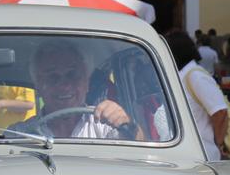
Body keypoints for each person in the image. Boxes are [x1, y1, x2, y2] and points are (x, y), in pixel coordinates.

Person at [12, 40, 141, 139]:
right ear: (38, 87)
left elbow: (140, 153)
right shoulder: (20, 134)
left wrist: (126, 124)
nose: (64, 86)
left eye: (72, 75)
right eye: (53, 77)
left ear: (87, 82)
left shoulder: (105, 127)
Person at [167, 31, 228, 161]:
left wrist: (218, 143)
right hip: (189, 154)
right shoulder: (183, 75)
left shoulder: (196, 77)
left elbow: (220, 112)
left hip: (203, 154)